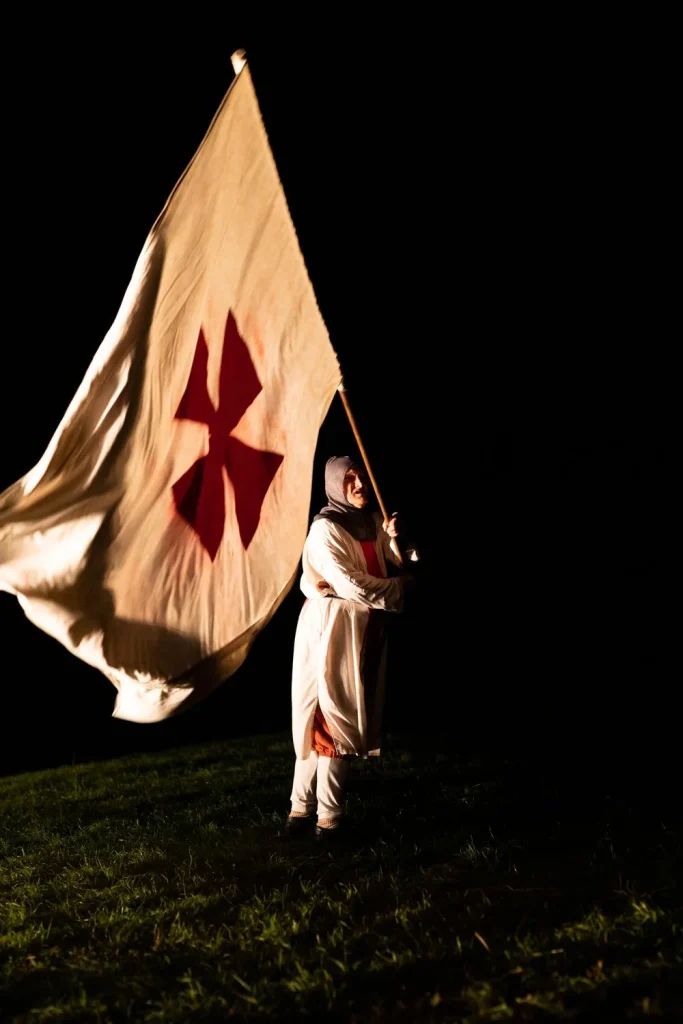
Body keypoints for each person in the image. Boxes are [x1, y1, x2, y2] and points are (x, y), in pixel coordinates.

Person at [283, 454, 414, 841]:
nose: (359, 485)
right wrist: (401, 587)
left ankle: (300, 812)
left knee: (334, 718)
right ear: (335, 483)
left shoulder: (375, 522)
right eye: (349, 479)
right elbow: (351, 584)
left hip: (366, 630)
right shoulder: (325, 529)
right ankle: (327, 819)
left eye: (361, 477)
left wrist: (396, 542)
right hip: (332, 631)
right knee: (329, 719)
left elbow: (400, 562)